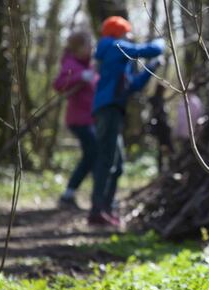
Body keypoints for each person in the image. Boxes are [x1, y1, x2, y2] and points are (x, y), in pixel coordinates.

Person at [89, 16, 165, 227]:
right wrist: (162, 43)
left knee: (117, 164)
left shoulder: (117, 56)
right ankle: (97, 210)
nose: (130, 36)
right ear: (118, 32)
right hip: (108, 109)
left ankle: (105, 208)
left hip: (113, 109)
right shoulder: (114, 46)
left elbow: (132, 86)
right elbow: (150, 49)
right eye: (127, 32)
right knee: (107, 160)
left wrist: (153, 67)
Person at [53, 30, 98, 209]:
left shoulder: (88, 65)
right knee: (93, 153)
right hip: (79, 120)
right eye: (88, 45)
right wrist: (80, 76)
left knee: (92, 155)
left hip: (89, 119)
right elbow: (58, 84)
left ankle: (72, 194)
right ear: (78, 48)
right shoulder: (71, 63)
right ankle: (70, 194)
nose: (91, 48)